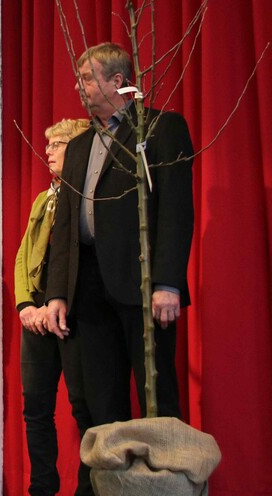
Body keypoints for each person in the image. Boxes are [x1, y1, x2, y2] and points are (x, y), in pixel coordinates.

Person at [45, 42, 194, 426]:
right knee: (102, 403)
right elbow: (65, 224)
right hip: (89, 287)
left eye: (86, 78)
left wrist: (167, 283)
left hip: (141, 282)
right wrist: (58, 292)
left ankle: (161, 467)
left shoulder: (159, 129)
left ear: (116, 81)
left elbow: (175, 210)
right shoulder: (79, 146)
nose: (78, 87)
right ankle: (113, 468)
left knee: (156, 400)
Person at [14, 118, 93, 496]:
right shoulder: (43, 199)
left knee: (83, 407)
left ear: (77, 149)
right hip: (36, 318)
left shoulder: (86, 198)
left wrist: (54, 304)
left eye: (57, 144)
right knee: (36, 409)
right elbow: (23, 256)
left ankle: (89, 489)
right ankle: (42, 487)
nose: (48, 151)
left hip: (71, 315)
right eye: (48, 145)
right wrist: (25, 305)